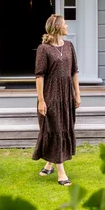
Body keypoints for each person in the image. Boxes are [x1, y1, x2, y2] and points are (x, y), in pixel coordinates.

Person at [33, 13, 79, 185]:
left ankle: (49, 164)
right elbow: (39, 76)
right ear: (58, 27)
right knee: (55, 128)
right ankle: (61, 173)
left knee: (63, 128)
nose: (67, 26)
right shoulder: (43, 49)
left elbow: (74, 71)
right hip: (51, 94)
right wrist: (41, 100)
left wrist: (77, 93)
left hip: (66, 94)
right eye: (65, 24)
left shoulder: (69, 46)